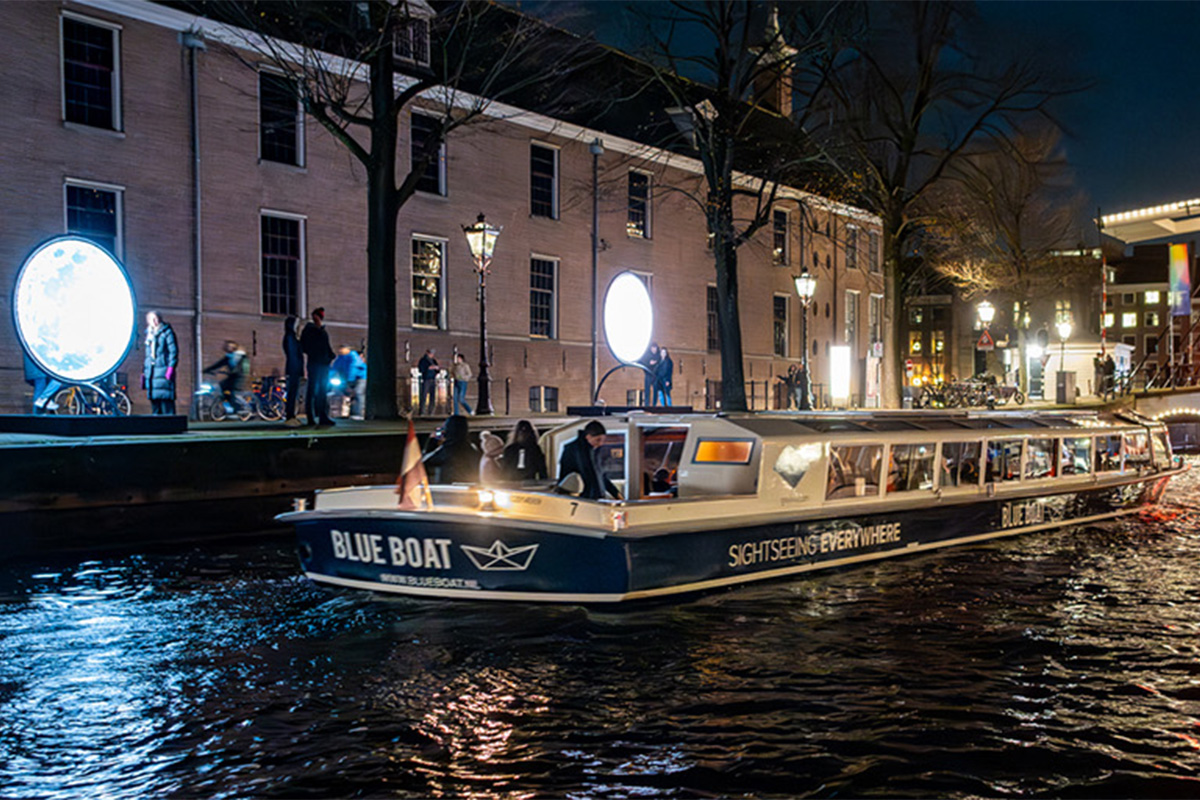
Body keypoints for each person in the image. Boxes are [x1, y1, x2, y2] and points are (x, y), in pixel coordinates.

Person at [557, 420, 620, 500]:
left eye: (603, 440)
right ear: (588, 436)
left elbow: (601, 477)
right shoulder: (573, 450)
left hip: (597, 498)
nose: (601, 444)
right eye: (598, 440)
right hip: (583, 499)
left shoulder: (595, 450)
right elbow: (567, 478)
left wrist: (617, 494)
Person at [300, 307, 335, 426]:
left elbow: (326, 346)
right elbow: (307, 346)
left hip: (322, 364)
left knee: (322, 391)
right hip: (316, 364)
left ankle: (322, 416)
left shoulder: (320, 330)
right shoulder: (311, 330)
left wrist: (330, 356)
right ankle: (312, 417)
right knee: (313, 390)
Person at [142, 310, 179, 415]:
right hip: (152, 373)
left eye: (156, 318)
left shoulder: (167, 332)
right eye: (151, 319)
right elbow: (147, 356)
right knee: (155, 404)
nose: (154, 321)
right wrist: (144, 372)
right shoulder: (149, 335)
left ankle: (171, 426)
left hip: (163, 371)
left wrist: (171, 368)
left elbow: (173, 351)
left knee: (166, 402)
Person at [423, 414, 478, 484]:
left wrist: (432, 441)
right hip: (470, 488)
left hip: (447, 490)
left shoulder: (446, 450)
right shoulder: (472, 449)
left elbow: (424, 461)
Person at [203, 340, 248, 415]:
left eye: (230, 346)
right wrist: (207, 370)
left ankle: (243, 407)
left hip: (239, 377)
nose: (228, 348)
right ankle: (232, 405)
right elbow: (218, 364)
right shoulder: (228, 357)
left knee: (234, 392)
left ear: (234, 348)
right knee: (222, 386)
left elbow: (243, 367)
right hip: (232, 376)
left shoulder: (241, 356)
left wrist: (235, 371)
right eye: (227, 346)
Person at [332, 345, 367, 420]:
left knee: (358, 393)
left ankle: (358, 414)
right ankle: (341, 412)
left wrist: (350, 381)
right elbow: (335, 368)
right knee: (339, 392)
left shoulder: (353, 356)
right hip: (348, 379)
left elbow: (353, 367)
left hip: (360, 378)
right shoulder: (340, 358)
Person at [282, 316, 304, 427]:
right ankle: (290, 416)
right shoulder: (290, 337)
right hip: (293, 369)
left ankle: (291, 416)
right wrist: (297, 369)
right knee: (292, 393)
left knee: (293, 393)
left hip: (293, 369)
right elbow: (293, 355)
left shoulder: (291, 337)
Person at [418, 348, 440, 416]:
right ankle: (422, 411)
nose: (432, 355)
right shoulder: (423, 360)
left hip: (433, 379)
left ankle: (431, 412)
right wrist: (428, 368)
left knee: (432, 396)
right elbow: (421, 369)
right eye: (431, 353)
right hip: (426, 379)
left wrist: (436, 369)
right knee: (424, 396)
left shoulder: (433, 360)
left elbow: (438, 369)